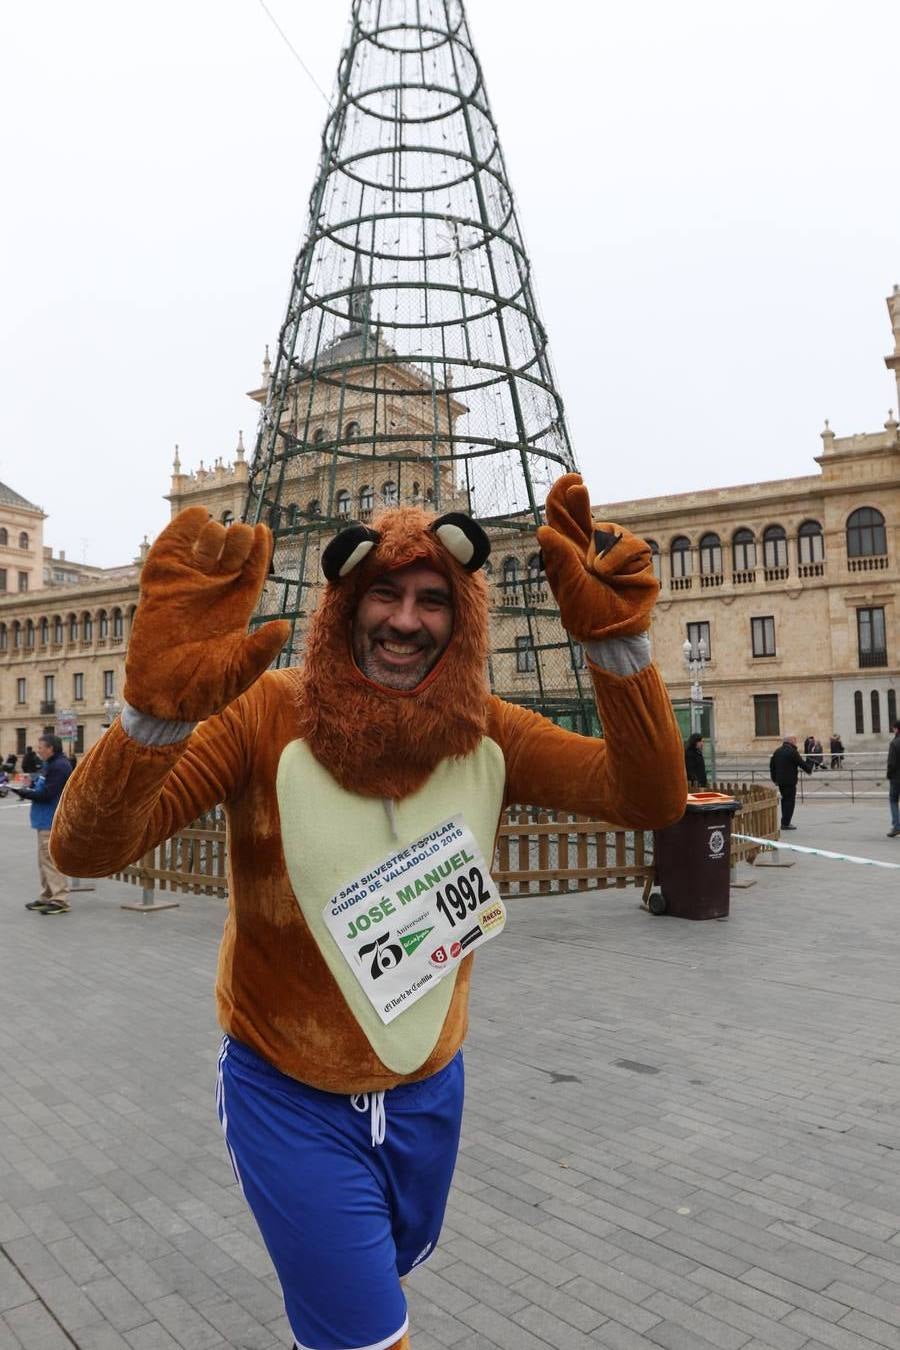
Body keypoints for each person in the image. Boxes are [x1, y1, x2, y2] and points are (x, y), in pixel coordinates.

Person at [52, 475, 687, 1350]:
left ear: (460, 619)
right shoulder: (264, 715)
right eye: (382, 593)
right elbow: (87, 850)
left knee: (376, 1282)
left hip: (431, 1092)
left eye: (432, 600)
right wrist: (152, 719)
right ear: (343, 606)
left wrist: (619, 649)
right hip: (289, 1096)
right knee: (368, 1335)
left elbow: (649, 797)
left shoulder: (487, 730)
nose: (404, 619)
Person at [12, 734, 73, 914]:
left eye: (40, 747)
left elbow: (47, 794)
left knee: (51, 860)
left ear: (50, 748)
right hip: (43, 820)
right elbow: (42, 788)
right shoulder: (51, 765)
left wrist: (24, 792)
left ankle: (60, 898)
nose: (38, 750)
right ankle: (47, 895)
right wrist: (27, 790)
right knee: (44, 861)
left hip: (51, 820)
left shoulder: (59, 766)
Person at [770, 734, 812, 830]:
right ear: (790, 741)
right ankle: (785, 823)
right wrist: (809, 769)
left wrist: (774, 779)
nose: (796, 742)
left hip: (780, 781)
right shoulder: (792, 752)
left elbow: (772, 766)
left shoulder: (777, 751)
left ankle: (784, 822)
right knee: (789, 802)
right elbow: (801, 763)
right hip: (790, 781)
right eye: (795, 740)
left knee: (784, 800)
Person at [887, 719, 900, 838]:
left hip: (896, 777)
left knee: (893, 800)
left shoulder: (894, 743)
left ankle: (897, 826)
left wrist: (889, 775)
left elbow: (891, 763)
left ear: (896, 729)